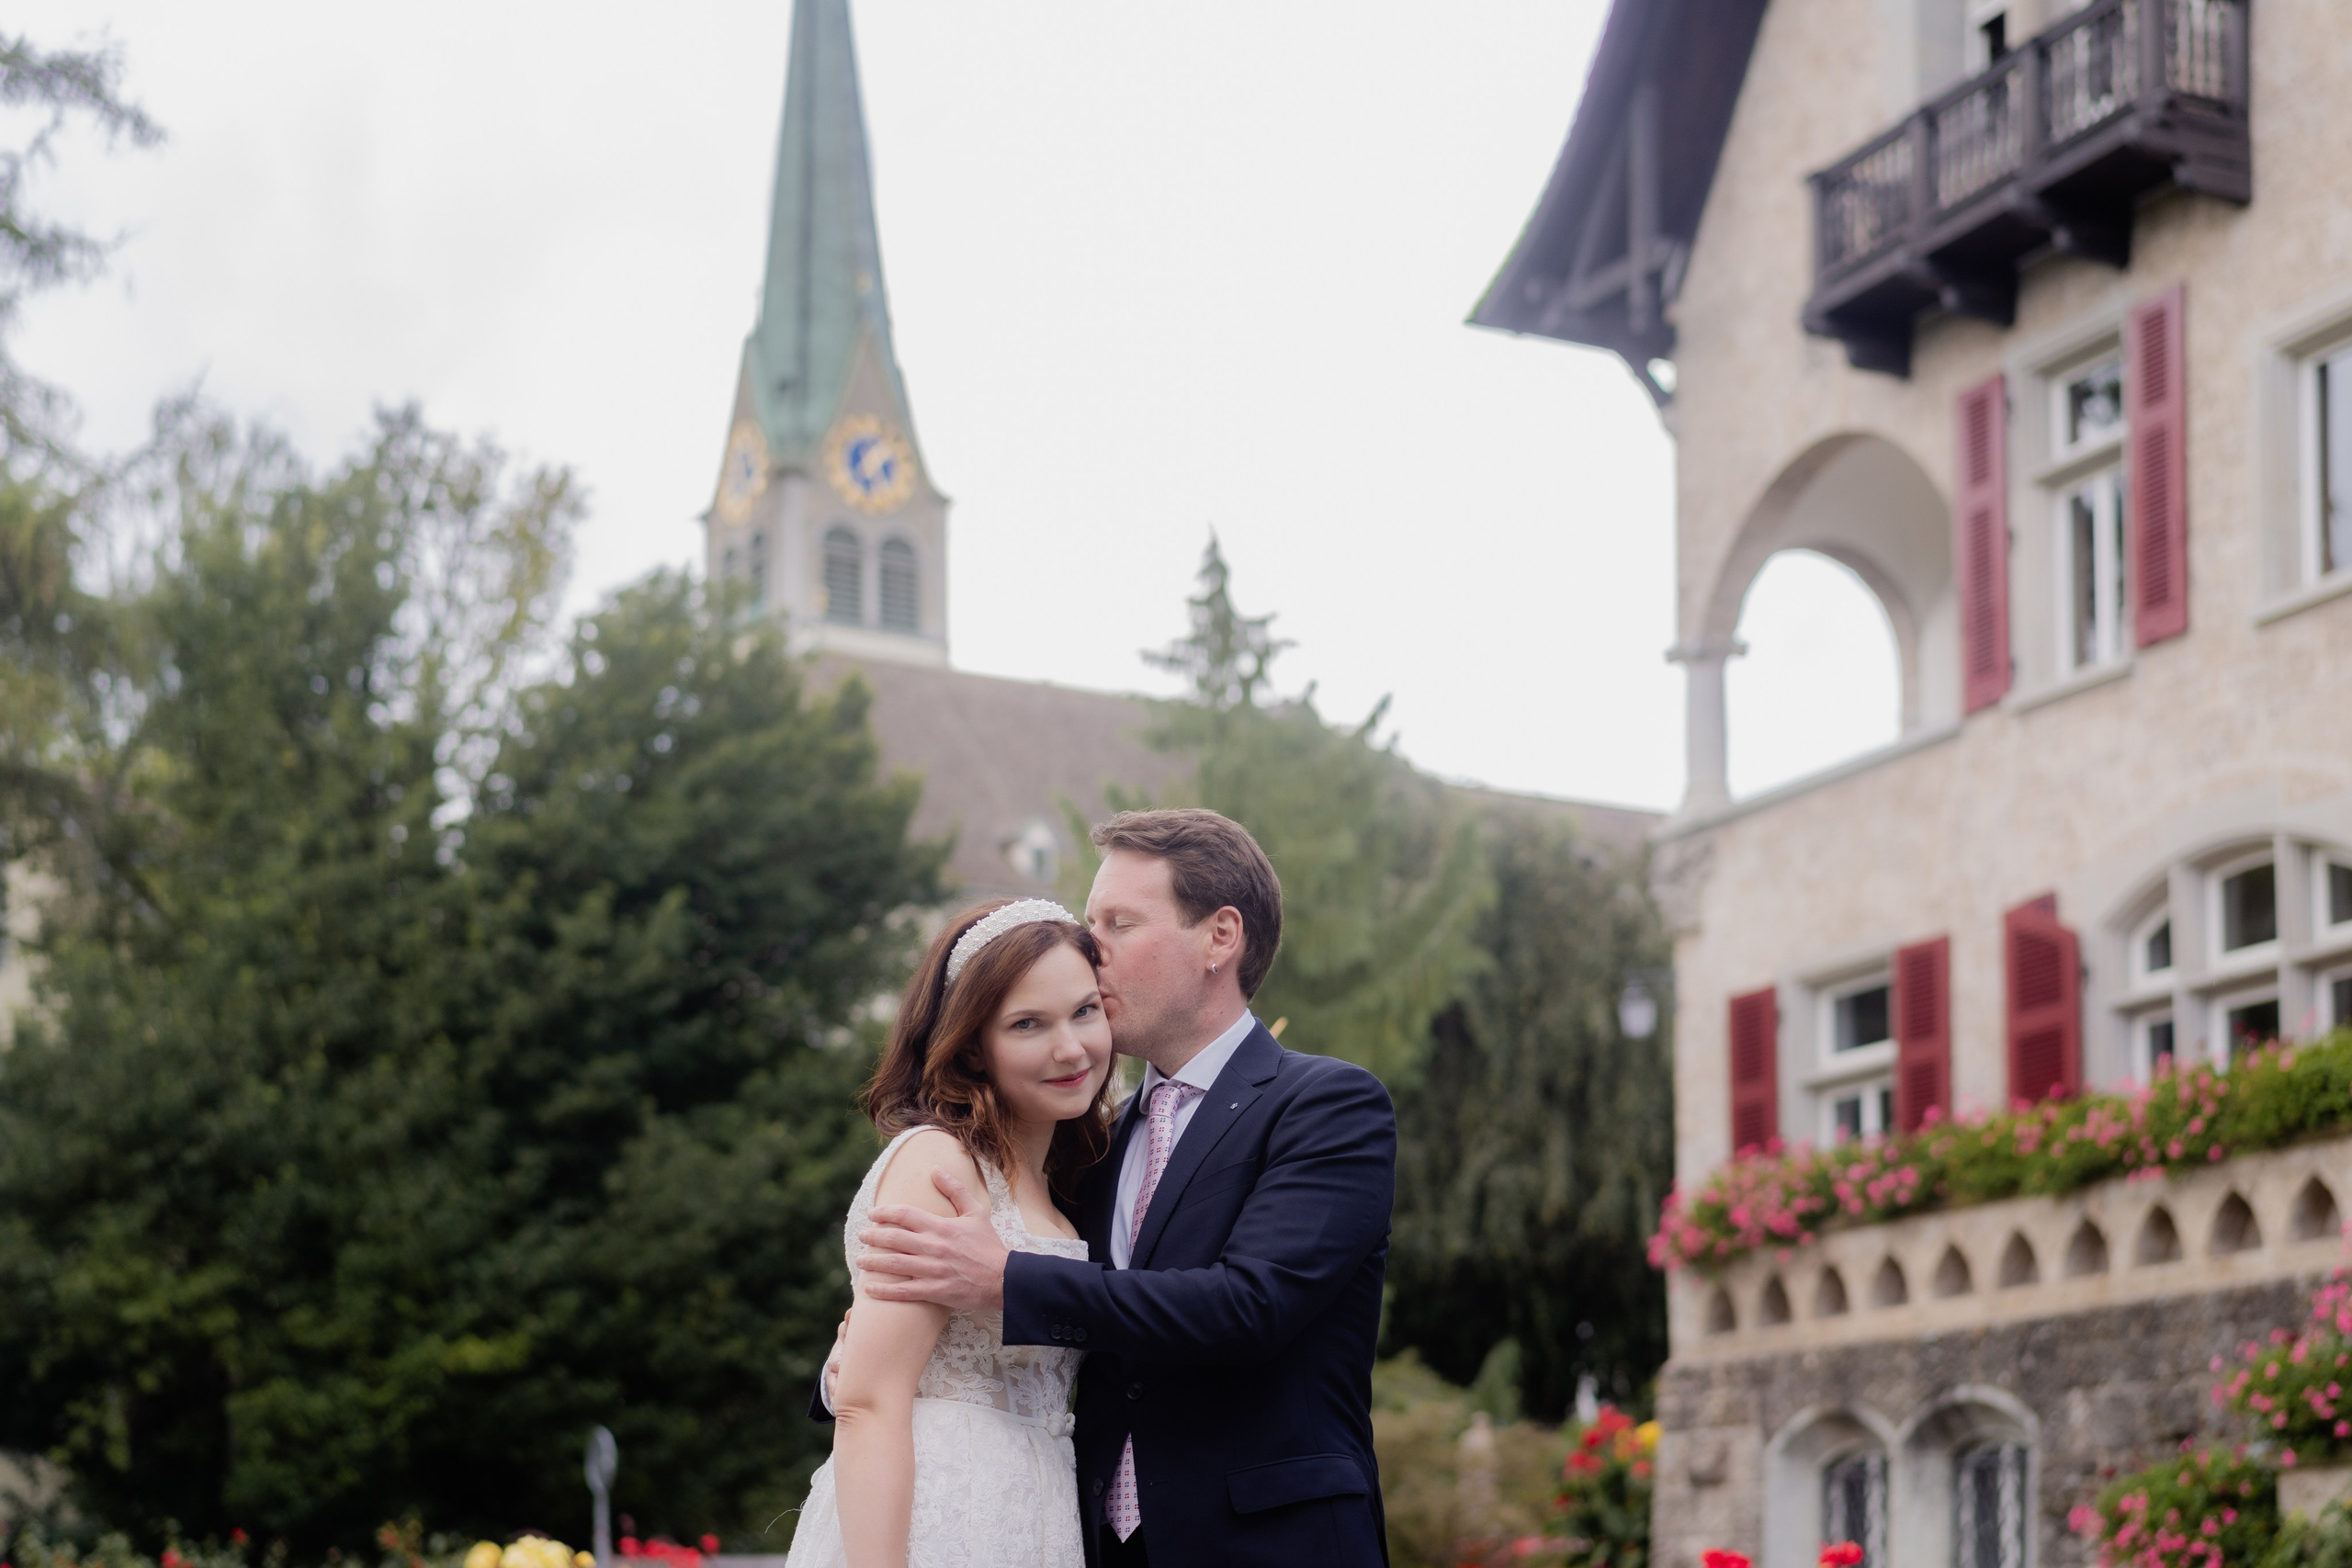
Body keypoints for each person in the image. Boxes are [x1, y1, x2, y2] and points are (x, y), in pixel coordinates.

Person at [855, 808, 1397, 1568]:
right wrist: (873, 1370)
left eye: (1117, 921)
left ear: (1219, 936)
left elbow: (1250, 1306)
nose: (1088, 945)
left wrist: (1005, 1281)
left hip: (1274, 1543)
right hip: (1090, 1543)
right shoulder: (1089, 1140)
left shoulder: (1328, 1104)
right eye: (1089, 918)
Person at [783, 897, 1117, 1568]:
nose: (1070, 1047)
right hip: (939, 1514)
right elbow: (869, 1402)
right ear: (972, 1046)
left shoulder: (1069, 1180)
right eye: (1028, 1023)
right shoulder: (941, 1161)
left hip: (1039, 1511)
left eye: (1085, 1010)